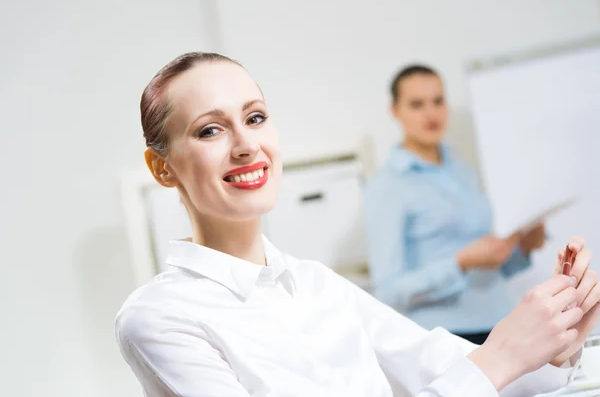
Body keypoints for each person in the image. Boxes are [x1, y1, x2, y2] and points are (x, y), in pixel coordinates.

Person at [115, 52, 600, 397]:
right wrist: (501, 357)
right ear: (162, 168)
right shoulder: (160, 318)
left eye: (256, 117)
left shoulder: (318, 285)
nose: (246, 144)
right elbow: (483, 373)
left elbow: (442, 363)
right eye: (210, 130)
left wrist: (558, 344)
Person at [363, 64, 548, 345]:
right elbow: (389, 290)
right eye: (416, 104)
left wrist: (521, 249)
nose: (431, 113)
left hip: (500, 323)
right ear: (395, 111)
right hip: (445, 336)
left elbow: (486, 268)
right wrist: (459, 263)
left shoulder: (461, 168)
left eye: (438, 101)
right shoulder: (387, 185)